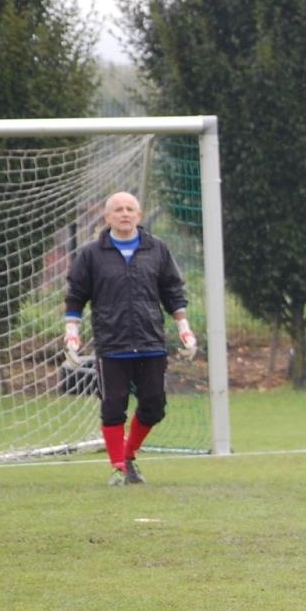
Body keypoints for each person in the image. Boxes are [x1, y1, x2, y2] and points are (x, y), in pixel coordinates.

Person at [64, 191, 197, 486]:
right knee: (113, 407)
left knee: (154, 406)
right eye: (118, 209)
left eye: (130, 209)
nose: (125, 214)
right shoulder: (91, 254)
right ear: (107, 217)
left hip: (151, 343)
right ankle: (119, 468)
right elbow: (75, 297)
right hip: (112, 345)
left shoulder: (157, 249)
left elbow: (173, 292)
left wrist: (184, 328)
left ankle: (127, 454)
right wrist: (71, 335)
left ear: (139, 214)